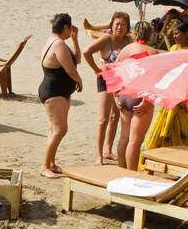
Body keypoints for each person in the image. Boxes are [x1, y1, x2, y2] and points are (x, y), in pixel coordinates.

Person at [84, 11, 132, 164]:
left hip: (121, 82)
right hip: (106, 80)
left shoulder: (129, 41)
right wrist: (97, 70)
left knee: (115, 117)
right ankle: (99, 155)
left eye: (123, 24)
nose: (120, 27)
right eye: (117, 24)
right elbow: (87, 52)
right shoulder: (106, 39)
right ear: (111, 25)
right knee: (103, 118)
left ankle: (108, 151)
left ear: (127, 27)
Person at [37, 13, 82, 178]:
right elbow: (71, 70)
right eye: (70, 29)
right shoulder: (58, 45)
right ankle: (44, 166)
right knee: (60, 129)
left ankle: (51, 163)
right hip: (53, 92)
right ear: (65, 27)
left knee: (54, 129)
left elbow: (77, 59)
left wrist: (75, 39)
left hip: (59, 91)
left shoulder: (58, 42)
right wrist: (81, 82)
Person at [142, 18, 188, 151]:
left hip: (185, 94)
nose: (174, 36)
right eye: (174, 33)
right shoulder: (172, 48)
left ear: (186, 34)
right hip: (172, 92)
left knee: (183, 126)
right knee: (163, 123)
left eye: (177, 33)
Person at [114, 21, 158, 170]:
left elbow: (115, 72)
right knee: (135, 141)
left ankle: (121, 170)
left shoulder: (126, 49)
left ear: (134, 33)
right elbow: (154, 80)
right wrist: (147, 101)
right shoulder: (153, 52)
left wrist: (116, 96)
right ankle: (131, 174)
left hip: (125, 94)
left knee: (124, 138)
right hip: (141, 96)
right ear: (150, 34)